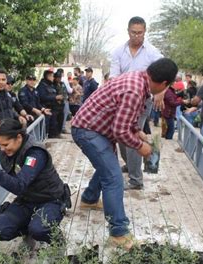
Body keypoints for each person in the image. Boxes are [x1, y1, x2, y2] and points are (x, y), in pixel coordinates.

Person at [71, 58, 178, 250]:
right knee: (113, 178)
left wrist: (137, 130)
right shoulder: (135, 90)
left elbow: (123, 117)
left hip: (98, 129)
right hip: (88, 130)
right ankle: (118, 233)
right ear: (164, 84)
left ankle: (89, 199)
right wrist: (140, 146)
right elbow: (120, 131)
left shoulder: (138, 79)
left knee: (107, 165)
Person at [0, 119, 68, 244]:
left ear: (19, 137)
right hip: (27, 200)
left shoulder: (35, 153)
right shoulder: (4, 152)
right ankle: (28, 230)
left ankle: (57, 241)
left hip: (50, 199)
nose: (2, 149)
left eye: (5, 145)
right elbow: (11, 178)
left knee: (39, 229)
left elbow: (19, 185)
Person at [109, 16, 164, 190]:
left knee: (131, 134)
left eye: (140, 33)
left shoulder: (153, 53)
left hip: (143, 101)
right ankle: (131, 164)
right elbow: (113, 77)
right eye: (134, 32)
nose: (137, 36)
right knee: (120, 135)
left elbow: (166, 72)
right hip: (122, 100)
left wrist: (161, 93)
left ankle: (135, 179)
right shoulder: (118, 52)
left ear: (145, 32)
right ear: (128, 31)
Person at [37, 69, 64, 138]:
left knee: (58, 121)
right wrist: (55, 98)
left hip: (55, 107)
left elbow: (53, 94)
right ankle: (51, 136)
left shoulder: (51, 85)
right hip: (46, 107)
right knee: (51, 124)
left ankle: (56, 134)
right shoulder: (42, 86)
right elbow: (42, 97)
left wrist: (57, 99)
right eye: (52, 76)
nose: (53, 78)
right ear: (48, 76)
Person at [55, 68, 72, 134]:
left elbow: (66, 91)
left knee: (65, 114)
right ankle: (62, 128)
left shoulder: (62, 83)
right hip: (59, 102)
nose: (59, 78)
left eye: (60, 77)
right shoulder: (55, 84)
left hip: (65, 100)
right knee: (62, 115)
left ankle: (62, 128)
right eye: (58, 77)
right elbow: (69, 90)